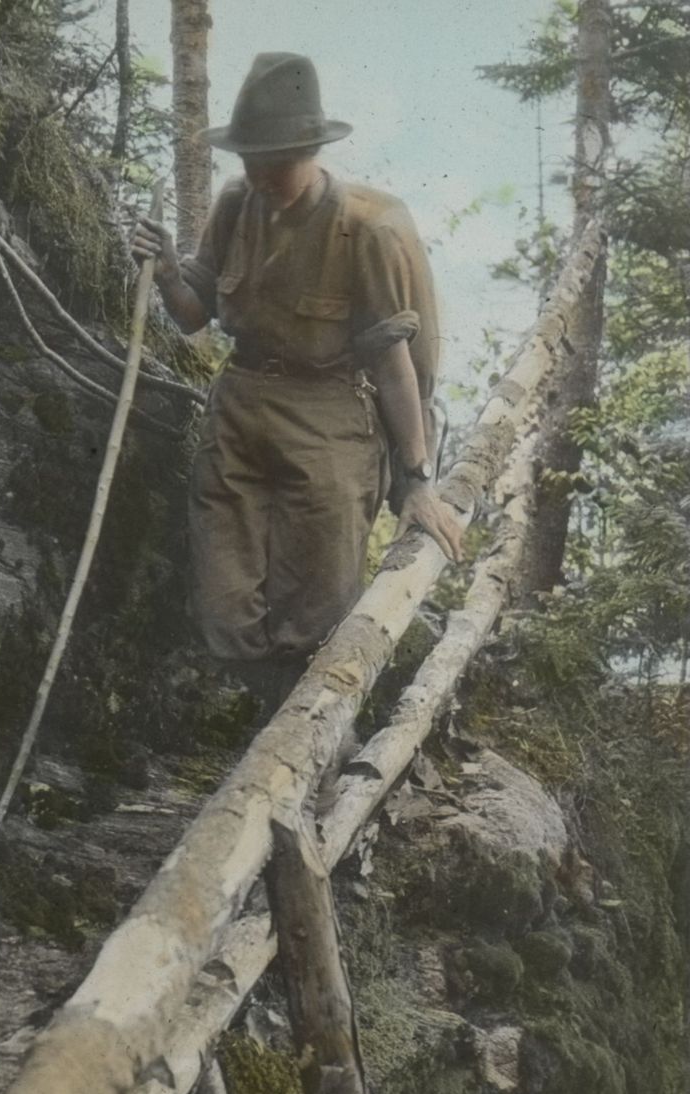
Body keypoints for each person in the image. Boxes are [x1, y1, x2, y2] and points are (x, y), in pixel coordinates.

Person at [133, 52, 463, 715]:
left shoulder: (364, 230)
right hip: (241, 411)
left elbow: (396, 368)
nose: (258, 172)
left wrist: (417, 479)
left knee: (318, 604)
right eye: (250, 156)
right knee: (226, 598)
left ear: (311, 149)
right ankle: (255, 735)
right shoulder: (236, 203)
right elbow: (197, 313)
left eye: (275, 158)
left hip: (328, 420)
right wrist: (169, 272)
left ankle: (308, 737)